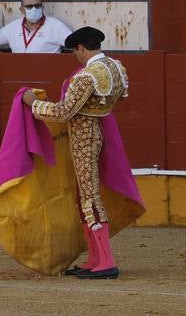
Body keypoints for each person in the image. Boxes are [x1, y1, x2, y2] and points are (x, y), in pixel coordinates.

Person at [29, 26, 132, 279]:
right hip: (99, 132)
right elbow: (121, 96)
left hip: (84, 138)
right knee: (85, 196)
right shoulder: (116, 67)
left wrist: (34, 104)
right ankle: (95, 258)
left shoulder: (87, 76)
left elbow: (64, 112)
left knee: (89, 197)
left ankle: (106, 261)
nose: (76, 56)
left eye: (75, 52)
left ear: (81, 49)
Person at [0, 0, 72, 53]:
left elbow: (76, 44)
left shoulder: (55, 25)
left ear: (42, 8)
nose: (34, 9)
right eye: (29, 6)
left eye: (37, 6)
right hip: (19, 74)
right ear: (22, 10)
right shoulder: (13, 26)